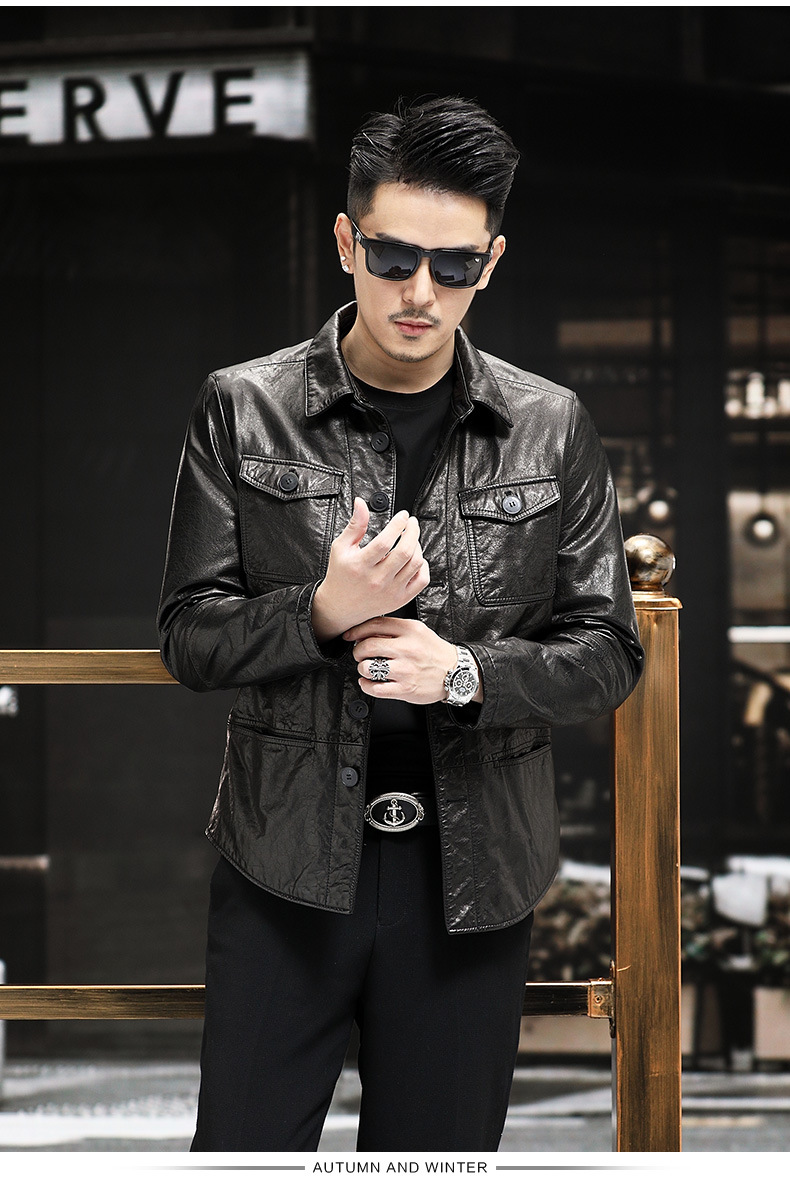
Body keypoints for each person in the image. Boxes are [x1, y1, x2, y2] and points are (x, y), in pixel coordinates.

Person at [157, 95, 643, 1153]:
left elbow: (609, 649)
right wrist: (321, 611)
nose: (420, 293)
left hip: (474, 874)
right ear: (347, 242)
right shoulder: (243, 406)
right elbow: (191, 635)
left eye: (454, 266)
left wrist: (463, 673)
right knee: (241, 1156)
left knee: (434, 1161)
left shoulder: (549, 424)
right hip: (284, 860)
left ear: (491, 262)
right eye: (392, 258)